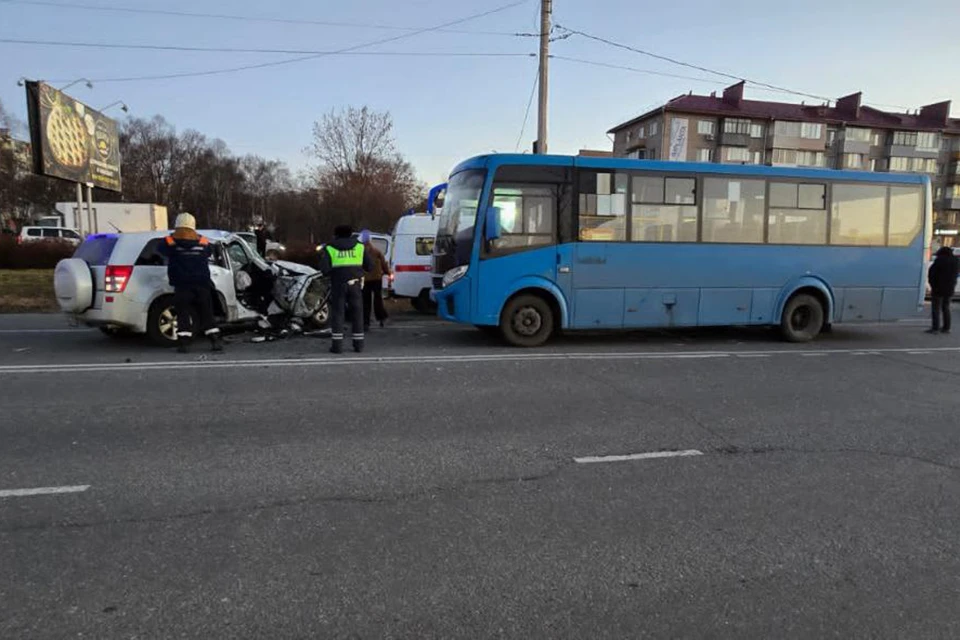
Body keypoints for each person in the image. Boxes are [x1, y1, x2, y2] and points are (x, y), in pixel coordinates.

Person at [157, 213, 224, 353]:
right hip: (202, 283)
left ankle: (184, 343)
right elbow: (209, 252)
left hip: (182, 284)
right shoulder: (203, 242)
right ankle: (214, 340)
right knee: (207, 312)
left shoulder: (170, 242)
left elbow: (161, 250)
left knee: (183, 313)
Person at [318, 224, 373, 353]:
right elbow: (369, 266)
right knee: (357, 314)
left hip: (338, 284)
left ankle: (337, 347)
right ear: (350, 234)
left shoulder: (330, 248)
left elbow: (324, 269)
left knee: (338, 314)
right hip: (356, 284)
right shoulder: (360, 247)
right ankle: (358, 345)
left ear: (336, 234)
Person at [359, 229, 392, 330]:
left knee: (366, 301)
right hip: (377, 278)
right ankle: (381, 317)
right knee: (378, 299)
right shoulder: (376, 251)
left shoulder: (360, 251)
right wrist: (388, 273)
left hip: (365, 279)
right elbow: (383, 264)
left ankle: (366, 322)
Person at [927, 246, 958, 334]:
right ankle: (946, 327)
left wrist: (932, 284)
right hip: (949, 288)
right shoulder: (955, 261)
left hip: (938, 288)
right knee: (946, 308)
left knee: (936, 309)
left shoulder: (939, 260)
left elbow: (932, 273)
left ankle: (935, 328)